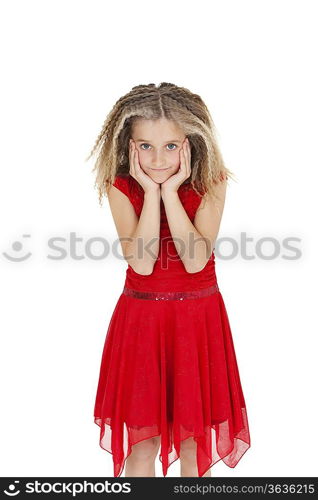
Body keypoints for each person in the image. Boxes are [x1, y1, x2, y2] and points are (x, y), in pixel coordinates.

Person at [86, 82, 251, 478]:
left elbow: (195, 260)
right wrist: (149, 190)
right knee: (142, 448)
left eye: (171, 147)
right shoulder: (122, 186)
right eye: (145, 146)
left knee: (196, 449)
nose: (158, 159)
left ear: (191, 144)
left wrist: (172, 191)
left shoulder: (212, 182)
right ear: (128, 145)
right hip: (143, 323)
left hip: (198, 323)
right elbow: (141, 263)